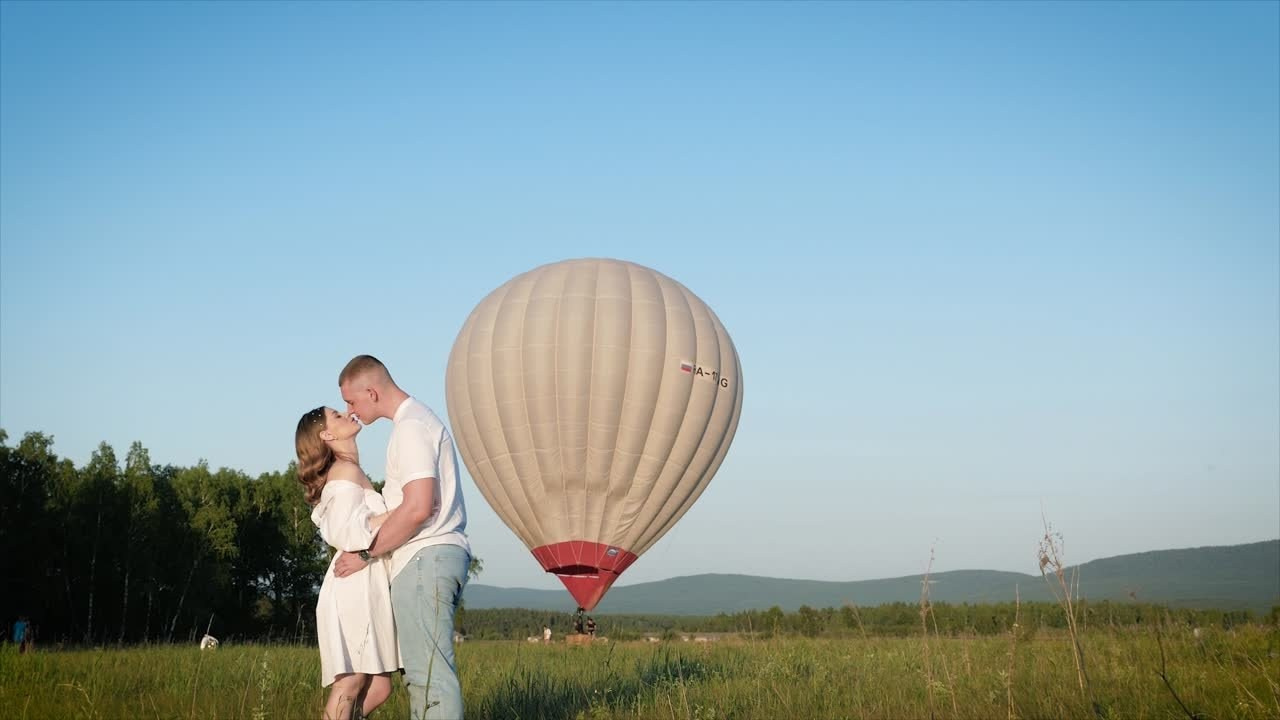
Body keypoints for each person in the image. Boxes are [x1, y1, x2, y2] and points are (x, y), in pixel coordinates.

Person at [334, 355, 471, 720]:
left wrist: (366, 553)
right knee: (422, 675)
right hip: (431, 559)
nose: (350, 411)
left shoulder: (410, 428)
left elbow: (417, 508)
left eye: (351, 401)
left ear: (372, 392)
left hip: (425, 559)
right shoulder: (416, 422)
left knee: (429, 677)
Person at [297, 406, 399, 720]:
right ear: (327, 435)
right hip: (354, 583)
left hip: (367, 580)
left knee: (380, 687)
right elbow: (347, 532)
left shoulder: (349, 469)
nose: (346, 413)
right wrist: (402, 512)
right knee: (352, 681)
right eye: (337, 416)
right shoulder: (344, 470)